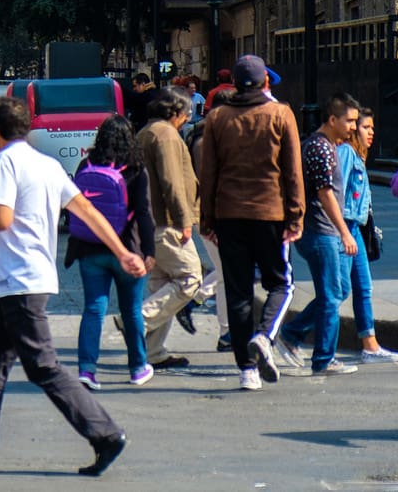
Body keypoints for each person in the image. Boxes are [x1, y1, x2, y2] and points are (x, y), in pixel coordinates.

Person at [0, 97, 138, 477]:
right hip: (26, 280)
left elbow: (1, 218)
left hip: (19, 280)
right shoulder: (47, 164)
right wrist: (122, 251)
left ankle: (105, 434)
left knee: (44, 366)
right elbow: (87, 210)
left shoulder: (5, 162)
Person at [198, 54, 304, 391]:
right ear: (265, 82)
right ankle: (265, 335)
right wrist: (296, 214)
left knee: (238, 291)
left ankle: (247, 370)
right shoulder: (281, 114)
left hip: (228, 214)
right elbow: (292, 171)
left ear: (233, 84)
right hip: (271, 213)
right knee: (281, 283)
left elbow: (208, 173)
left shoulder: (217, 118)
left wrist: (206, 219)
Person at [66, 114, 155, 389]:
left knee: (93, 308)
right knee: (132, 310)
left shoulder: (86, 165)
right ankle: (138, 367)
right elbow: (144, 213)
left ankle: (87, 369)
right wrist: (149, 251)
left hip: (89, 248)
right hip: (127, 248)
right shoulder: (136, 169)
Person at [275, 93, 361, 376]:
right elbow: (325, 193)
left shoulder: (326, 146)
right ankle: (323, 358)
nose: (353, 127)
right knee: (331, 295)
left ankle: (292, 333)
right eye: (349, 121)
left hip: (323, 231)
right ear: (332, 119)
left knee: (338, 290)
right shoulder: (320, 148)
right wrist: (344, 232)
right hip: (320, 231)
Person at [137, 88, 203, 371]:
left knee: (163, 284)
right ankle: (137, 321)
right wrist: (184, 219)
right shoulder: (165, 135)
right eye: (186, 114)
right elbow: (172, 181)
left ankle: (153, 351)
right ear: (176, 112)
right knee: (190, 277)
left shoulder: (148, 132)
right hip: (166, 222)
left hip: (151, 220)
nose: (187, 120)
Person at [346, 108, 398, 362]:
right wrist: (344, 231)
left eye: (372, 127)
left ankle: (370, 345)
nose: (371, 132)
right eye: (365, 127)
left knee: (362, 286)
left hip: (355, 228)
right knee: (337, 290)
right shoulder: (347, 154)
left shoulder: (359, 155)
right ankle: (291, 333)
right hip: (346, 228)